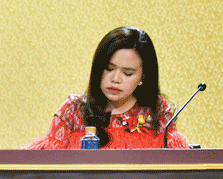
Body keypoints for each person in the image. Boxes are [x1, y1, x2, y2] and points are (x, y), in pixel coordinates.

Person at [26, 26, 188, 149]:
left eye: (128, 73)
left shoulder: (156, 110)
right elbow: (46, 167)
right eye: (109, 69)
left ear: (143, 77)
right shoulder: (73, 110)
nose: (115, 79)